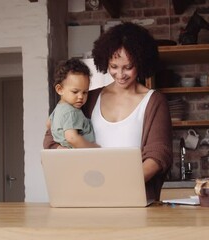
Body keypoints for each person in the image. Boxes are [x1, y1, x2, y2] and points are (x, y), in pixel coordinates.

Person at [44, 22, 173, 201]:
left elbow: (159, 154)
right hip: (88, 194)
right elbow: (52, 137)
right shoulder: (89, 98)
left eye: (128, 67)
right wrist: (66, 155)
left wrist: (121, 186)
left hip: (133, 197)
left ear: (142, 63)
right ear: (105, 62)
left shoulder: (153, 102)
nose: (120, 74)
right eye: (114, 66)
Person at [47, 58, 100, 149]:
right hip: (79, 153)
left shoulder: (59, 108)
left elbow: (48, 124)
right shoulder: (72, 112)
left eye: (85, 92)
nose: (81, 97)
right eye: (75, 92)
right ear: (60, 89)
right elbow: (72, 138)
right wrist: (94, 148)